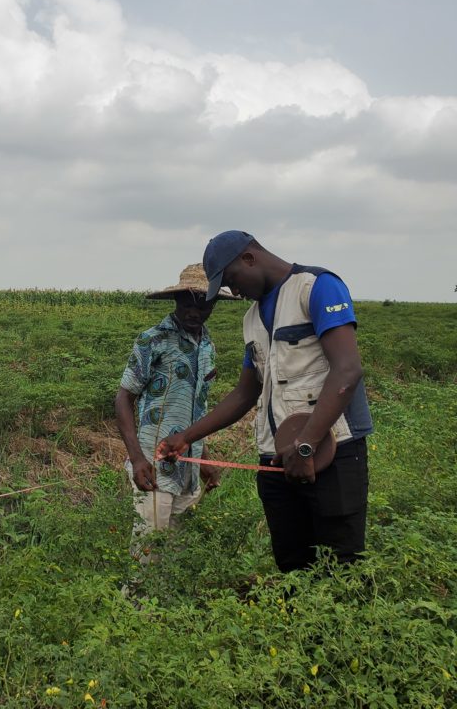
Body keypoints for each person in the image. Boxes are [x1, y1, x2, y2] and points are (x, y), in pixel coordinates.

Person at [159, 231, 373, 572]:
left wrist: (305, 447)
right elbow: (245, 392)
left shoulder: (316, 287)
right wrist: (188, 436)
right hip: (277, 460)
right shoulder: (252, 319)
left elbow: (347, 370)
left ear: (249, 258)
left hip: (331, 454)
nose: (236, 291)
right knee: (292, 564)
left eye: (232, 280)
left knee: (339, 566)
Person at [115, 264, 234, 548]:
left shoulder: (207, 346)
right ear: (176, 301)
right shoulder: (152, 340)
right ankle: (133, 595)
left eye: (204, 303)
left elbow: (197, 408)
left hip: (188, 469)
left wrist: (204, 460)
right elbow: (122, 399)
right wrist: (137, 459)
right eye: (187, 303)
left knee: (176, 556)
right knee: (148, 553)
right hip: (153, 467)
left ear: (213, 304)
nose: (194, 311)